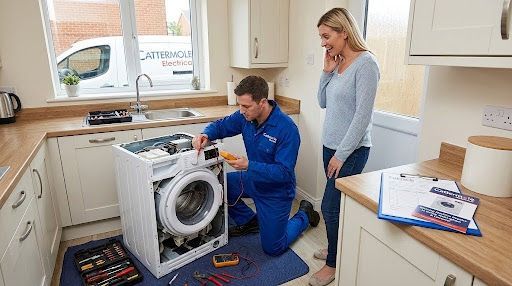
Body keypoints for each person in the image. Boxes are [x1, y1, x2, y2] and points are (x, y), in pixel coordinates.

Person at [192, 75, 320, 256]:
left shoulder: (287, 129)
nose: (241, 110)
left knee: (273, 248)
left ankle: (304, 215)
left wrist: (249, 166)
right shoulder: (245, 117)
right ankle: (250, 220)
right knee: (219, 185)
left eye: (246, 106)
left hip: (276, 191)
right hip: (252, 179)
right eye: (239, 105)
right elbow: (220, 126)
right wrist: (205, 135)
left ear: (262, 102)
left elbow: (283, 172)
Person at [310, 8, 380, 286]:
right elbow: (322, 101)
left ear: (344, 31)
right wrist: (326, 72)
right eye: (321, 37)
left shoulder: (366, 65)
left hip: (350, 151)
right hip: (331, 146)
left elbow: (362, 118)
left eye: (327, 36)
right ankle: (336, 246)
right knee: (336, 206)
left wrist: (340, 155)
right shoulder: (338, 64)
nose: (323, 42)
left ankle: (333, 264)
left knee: (329, 206)